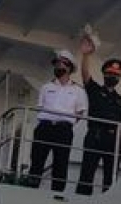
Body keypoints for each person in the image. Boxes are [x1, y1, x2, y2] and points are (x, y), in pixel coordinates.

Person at [76, 35, 121, 196]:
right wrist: (86, 55)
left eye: (116, 74)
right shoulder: (95, 90)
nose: (113, 76)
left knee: (110, 177)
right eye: (110, 73)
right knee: (87, 173)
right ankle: (82, 201)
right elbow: (85, 75)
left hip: (113, 140)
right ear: (104, 74)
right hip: (95, 136)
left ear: (119, 77)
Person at [27, 49, 87, 190]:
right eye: (57, 64)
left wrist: (65, 122)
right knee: (37, 160)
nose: (58, 67)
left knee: (61, 163)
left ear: (69, 67)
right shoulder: (46, 87)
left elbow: (80, 112)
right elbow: (41, 107)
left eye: (62, 64)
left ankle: (57, 194)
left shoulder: (78, 90)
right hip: (44, 127)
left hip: (63, 130)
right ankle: (30, 190)